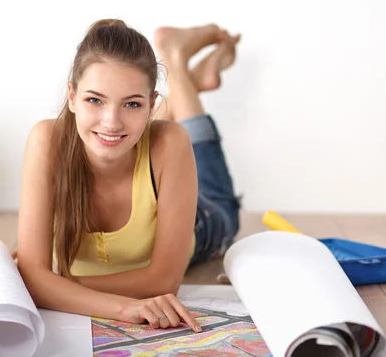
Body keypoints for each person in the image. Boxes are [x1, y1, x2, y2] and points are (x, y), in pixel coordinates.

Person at [16, 20, 242, 333]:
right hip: (146, 149)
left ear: (151, 107)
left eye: (132, 103)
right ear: (71, 96)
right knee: (131, 135)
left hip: (203, 218)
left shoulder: (170, 142)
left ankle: (175, 59)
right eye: (94, 100)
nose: (110, 121)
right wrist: (125, 307)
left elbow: (163, 281)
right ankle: (187, 79)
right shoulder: (46, 141)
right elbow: (35, 279)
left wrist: (55, 282)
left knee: (194, 152)